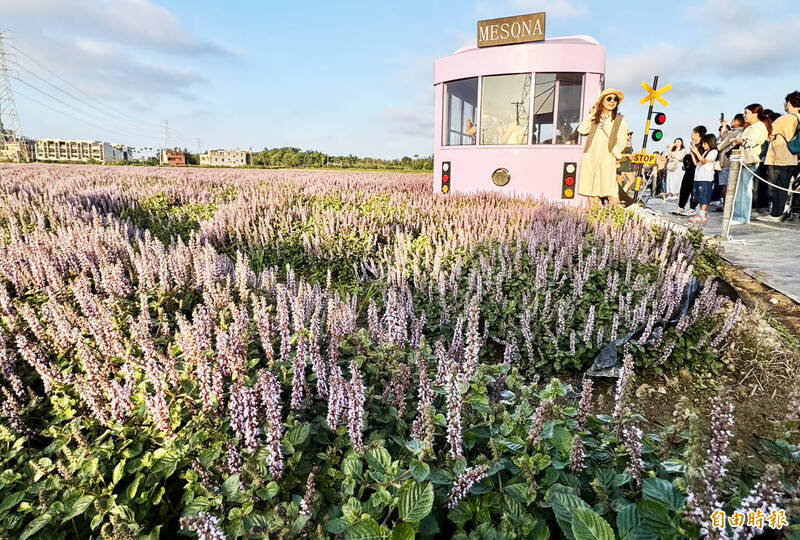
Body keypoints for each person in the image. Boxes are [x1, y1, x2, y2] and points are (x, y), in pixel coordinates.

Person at [577, 89, 628, 207]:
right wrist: (591, 116)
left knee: (610, 190)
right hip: (591, 155)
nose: (612, 101)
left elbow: (622, 140)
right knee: (592, 190)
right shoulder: (596, 117)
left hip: (607, 156)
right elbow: (582, 130)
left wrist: (613, 153)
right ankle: (594, 220)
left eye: (615, 99)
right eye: (609, 98)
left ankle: (616, 219)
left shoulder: (619, 119)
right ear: (602, 101)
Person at [756, 91, 800, 222]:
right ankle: (777, 212)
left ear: (789, 103)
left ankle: (776, 214)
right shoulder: (798, 117)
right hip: (792, 157)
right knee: (784, 186)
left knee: (778, 187)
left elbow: (768, 132)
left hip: (781, 157)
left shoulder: (786, 118)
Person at [731, 104, 771, 224]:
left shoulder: (759, 127)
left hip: (749, 161)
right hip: (743, 160)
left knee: (744, 189)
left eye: (746, 113)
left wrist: (740, 140)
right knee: (741, 189)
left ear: (755, 114)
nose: (744, 116)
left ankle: (742, 217)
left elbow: (752, 140)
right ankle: (739, 215)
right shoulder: (751, 126)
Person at [675, 126, 707, 215]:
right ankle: (681, 207)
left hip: (697, 170)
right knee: (684, 188)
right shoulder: (693, 144)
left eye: (693, 133)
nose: (691, 135)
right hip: (689, 170)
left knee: (694, 190)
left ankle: (692, 208)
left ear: (697, 134)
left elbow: (700, 159)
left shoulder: (703, 145)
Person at [716, 114, 745, 209]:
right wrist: (724, 125)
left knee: (726, 186)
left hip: (727, 162)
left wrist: (719, 147)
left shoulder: (737, 131)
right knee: (727, 186)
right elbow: (725, 136)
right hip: (728, 161)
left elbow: (723, 143)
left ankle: (727, 206)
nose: (732, 122)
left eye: (733, 120)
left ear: (738, 121)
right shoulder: (737, 131)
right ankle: (727, 206)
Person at [689, 134, 719, 224]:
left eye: (705, 143)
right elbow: (697, 163)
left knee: (705, 196)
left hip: (706, 178)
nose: (703, 145)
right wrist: (693, 154)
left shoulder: (713, 152)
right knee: (700, 197)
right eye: (703, 143)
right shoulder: (705, 152)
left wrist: (697, 152)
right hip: (699, 177)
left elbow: (703, 161)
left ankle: (702, 215)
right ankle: (703, 214)